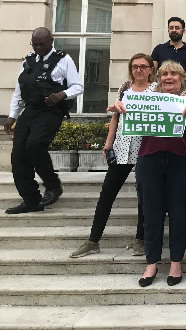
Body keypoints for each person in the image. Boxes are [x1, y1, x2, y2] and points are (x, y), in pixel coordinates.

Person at [69, 54, 155, 258]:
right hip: (123, 145)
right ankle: (93, 240)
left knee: (144, 196)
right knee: (107, 193)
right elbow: (115, 117)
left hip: (145, 146)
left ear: (151, 69)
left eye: (143, 66)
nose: (139, 70)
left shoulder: (156, 89)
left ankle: (140, 239)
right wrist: (109, 143)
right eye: (135, 66)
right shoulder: (125, 88)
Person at [128, 61, 186, 287]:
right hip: (149, 160)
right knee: (151, 213)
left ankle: (176, 263)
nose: (168, 77)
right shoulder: (147, 99)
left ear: (182, 78)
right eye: (164, 74)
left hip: (179, 162)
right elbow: (129, 114)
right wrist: (122, 109)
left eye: (174, 74)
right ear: (159, 78)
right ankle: (151, 263)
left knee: (179, 214)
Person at [4, 27, 84, 214]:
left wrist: (62, 94)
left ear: (51, 41)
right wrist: (12, 115)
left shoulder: (63, 59)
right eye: (35, 44)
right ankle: (31, 200)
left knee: (35, 145)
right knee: (18, 155)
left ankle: (53, 185)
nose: (38, 48)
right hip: (30, 110)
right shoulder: (28, 61)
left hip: (51, 110)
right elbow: (19, 90)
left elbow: (78, 86)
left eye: (42, 44)